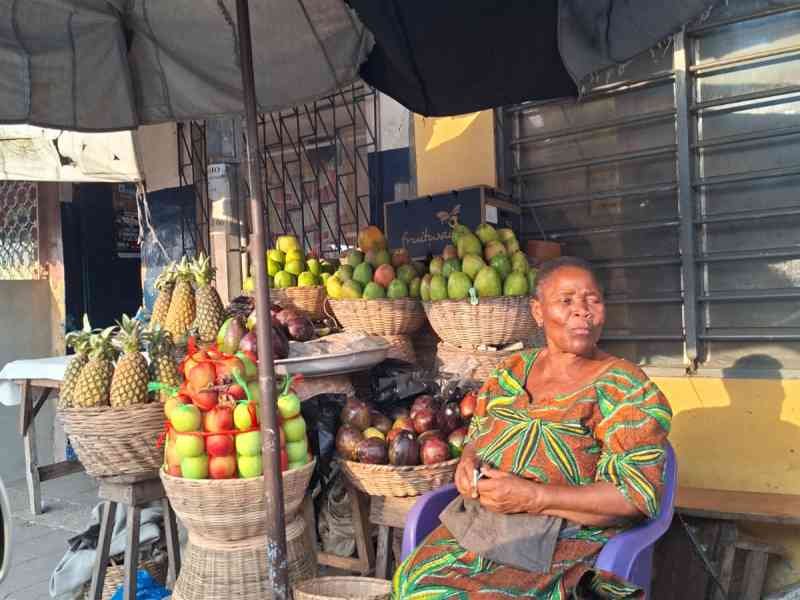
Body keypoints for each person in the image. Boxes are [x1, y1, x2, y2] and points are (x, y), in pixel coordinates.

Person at [393, 257, 672, 599]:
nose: (582, 311)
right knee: (412, 583)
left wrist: (535, 497)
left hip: (566, 540)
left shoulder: (625, 388)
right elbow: (479, 433)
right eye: (566, 300)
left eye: (592, 300)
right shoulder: (511, 371)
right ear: (538, 312)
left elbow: (635, 497)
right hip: (485, 528)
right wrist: (468, 463)